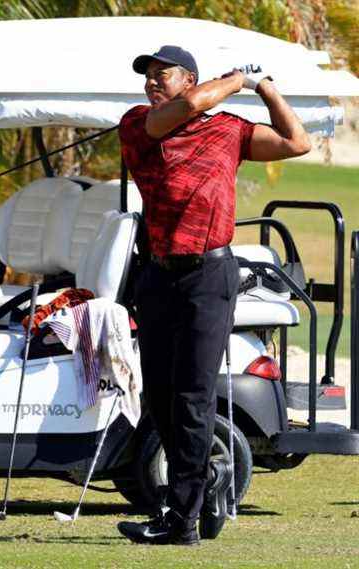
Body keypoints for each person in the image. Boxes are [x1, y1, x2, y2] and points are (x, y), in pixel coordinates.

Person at [116, 46, 310, 545]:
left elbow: (296, 142)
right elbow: (180, 113)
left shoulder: (227, 130)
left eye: (164, 76)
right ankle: (206, 485)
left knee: (192, 397)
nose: (152, 84)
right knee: (159, 396)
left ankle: (181, 519)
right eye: (149, 77)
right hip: (157, 275)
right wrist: (237, 80)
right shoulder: (139, 122)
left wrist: (265, 86)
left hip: (209, 274)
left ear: (189, 78)